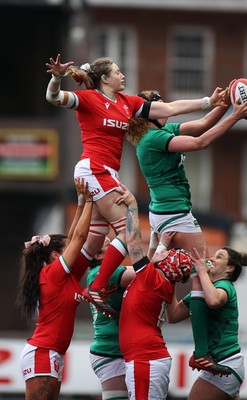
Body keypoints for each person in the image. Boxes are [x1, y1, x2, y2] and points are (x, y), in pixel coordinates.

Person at [45, 53, 227, 316]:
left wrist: (209, 101)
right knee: (127, 230)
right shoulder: (89, 99)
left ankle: (70, 283)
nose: (123, 76)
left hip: (105, 173)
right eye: (118, 72)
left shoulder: (127, 103)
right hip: (95, 169)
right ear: (105, 78)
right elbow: (54, 97)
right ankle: (96, 286)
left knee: (96, 237)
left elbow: (170, 108)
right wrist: (56, 76)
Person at [126, 88, 247, 370]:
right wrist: (236, 114)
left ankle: (163, 314)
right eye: (160, 104)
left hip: (165, 213)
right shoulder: (154, 137)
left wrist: (222, 104)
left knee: (172, 270)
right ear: (149, 114)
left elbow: (199, 125)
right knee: (202, 272)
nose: (167, 107)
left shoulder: (158, 130)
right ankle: (202, 351)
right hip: (175, 214)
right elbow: (200, 142)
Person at [16, 178, 93, 400]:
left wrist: (80, 204)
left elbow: (72, 236)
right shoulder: (54, 274)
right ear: (56, 257)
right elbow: (79, 237)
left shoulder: (65, 276)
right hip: (43, 351)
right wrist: (90, 200)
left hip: (52, 352)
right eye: (69, 251)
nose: (75, 252)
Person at [114, 184, 193, 400]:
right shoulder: (162, 282)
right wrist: (158, 244)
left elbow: (131, 241)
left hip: (145, 359)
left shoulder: (153, 278)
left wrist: (132, 206)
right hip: (145, 358)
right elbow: (149, 262)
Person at [166, 246, 247, 400]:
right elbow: (173, 316)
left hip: (226, 362)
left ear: (229, 268)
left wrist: (202, 272)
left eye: (219, 257)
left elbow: (214, 300)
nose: (211, 259)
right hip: (217, 364)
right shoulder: (200, 292)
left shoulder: (225, 286)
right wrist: (171, 280)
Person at [87, 236, 135, 400]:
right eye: (108, 244)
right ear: (98, 256)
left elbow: (142, 267)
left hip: (112, 349)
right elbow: (145, 275)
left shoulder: (103, 271)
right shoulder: (106, 272)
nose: (108, 239)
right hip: (110, 351)